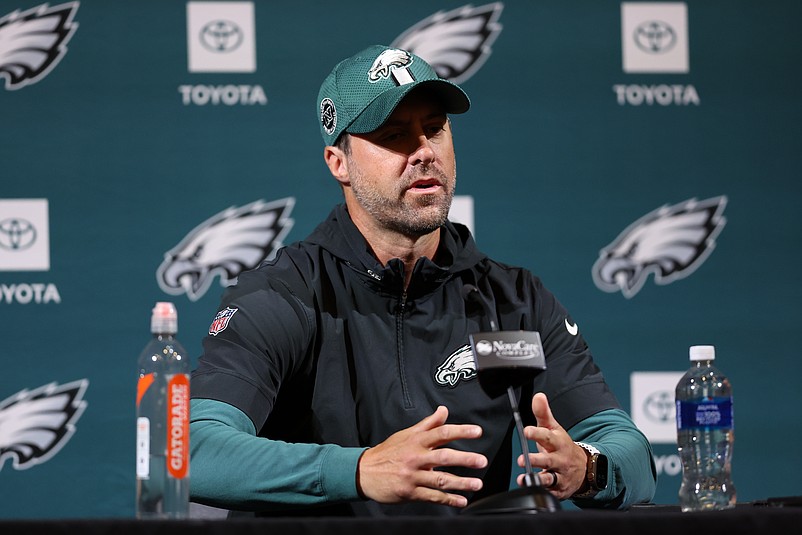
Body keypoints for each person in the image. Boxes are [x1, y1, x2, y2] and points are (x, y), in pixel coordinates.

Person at [188, 44, 656, 516]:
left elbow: (632, 455)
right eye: (394, 136)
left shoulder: (515, 301)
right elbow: (192, 452)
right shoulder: (283, 295)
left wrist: (587, 467)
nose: (424, 153)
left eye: (434, 129)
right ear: (338, 162)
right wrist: (359, 471)